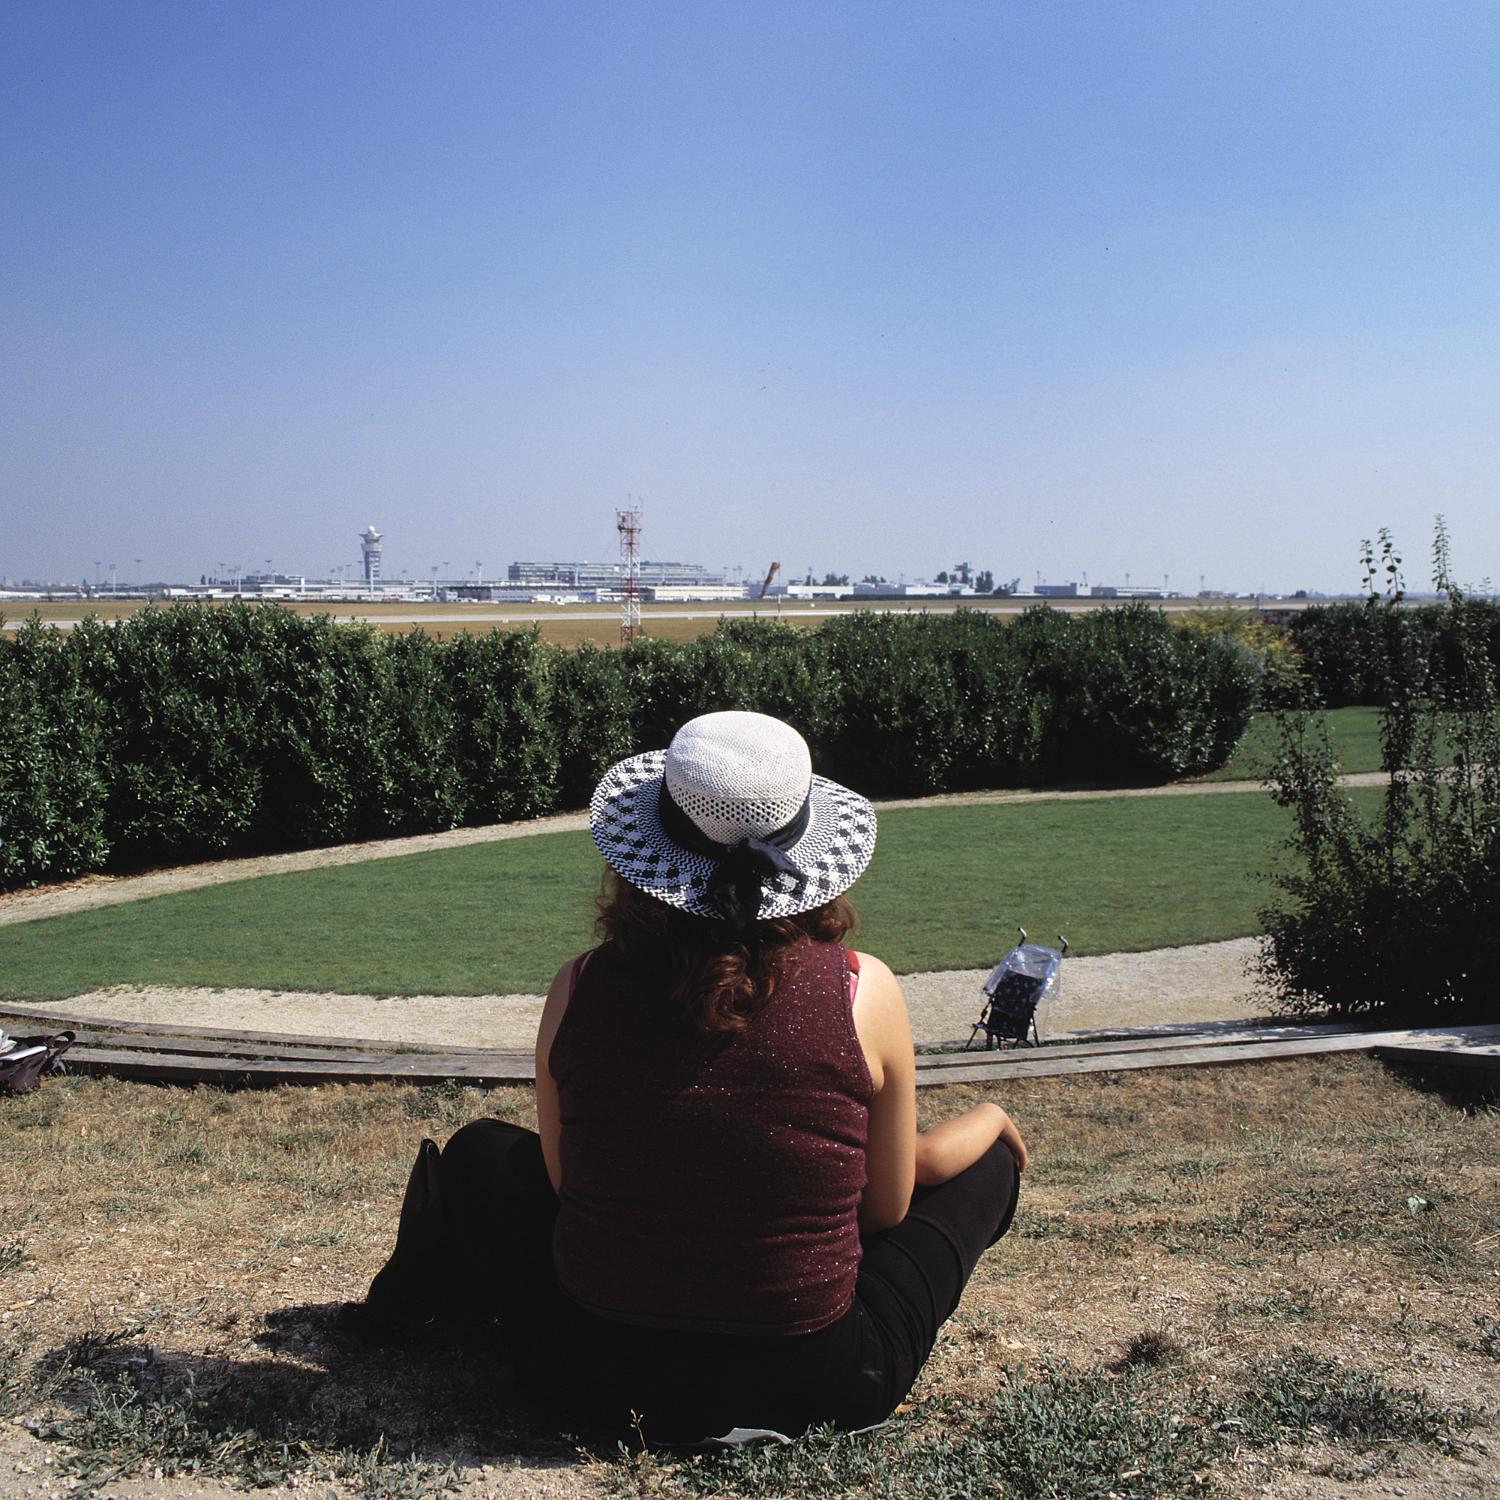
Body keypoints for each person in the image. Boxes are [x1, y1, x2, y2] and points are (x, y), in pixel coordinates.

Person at [342, 710, 1026, 1443]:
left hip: (591, 1373)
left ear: (649, 850)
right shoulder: (866, 990)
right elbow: (885, 1211)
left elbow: (571, 1187)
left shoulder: (577, 989)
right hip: (819, 1379)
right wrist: (992, 1120)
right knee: (983, 1167)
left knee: (481, 1152)